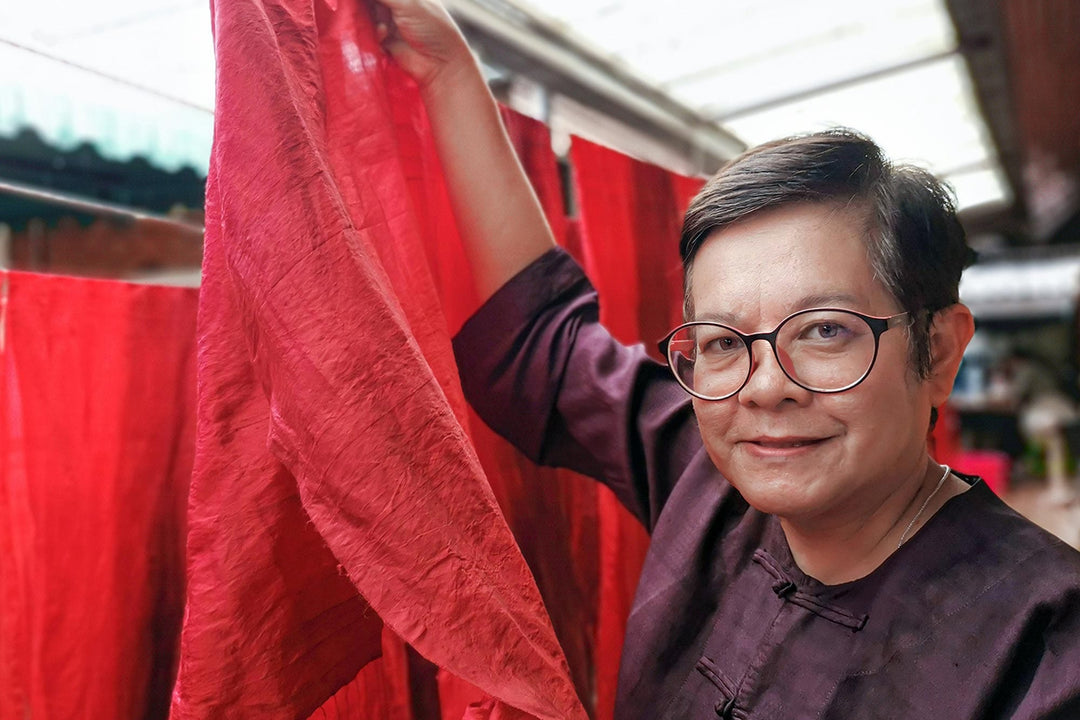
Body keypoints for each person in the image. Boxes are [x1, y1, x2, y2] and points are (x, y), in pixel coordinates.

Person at [369, 2, 1080, 717]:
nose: (765, 389)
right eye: (721, 342)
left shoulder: (1046, 653)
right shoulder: (710, 484)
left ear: (940, 351)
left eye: (825, 331)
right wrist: (450, 74)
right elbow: (543, 350)